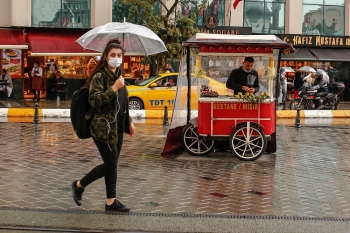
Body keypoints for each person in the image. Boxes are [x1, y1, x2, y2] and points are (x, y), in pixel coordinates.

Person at [71, 38, 135, 212]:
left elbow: (124, 101)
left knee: (112, 163)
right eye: (112, 55)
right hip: (103, 128)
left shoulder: (119, 76)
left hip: (117, 127)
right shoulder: (100, 76)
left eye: (119, 55)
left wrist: (129, 121)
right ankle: (79, 185)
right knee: (110, 164)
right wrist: (113, 88)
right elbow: (94, 100)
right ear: (106, 57)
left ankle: (111, 202)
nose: (116, 57)